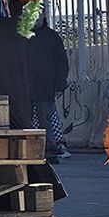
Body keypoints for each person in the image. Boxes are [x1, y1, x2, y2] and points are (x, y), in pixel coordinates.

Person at [26, 13, 71, 161]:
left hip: (44, 87)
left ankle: (49, 150)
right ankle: (43, 149)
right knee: (41, 120)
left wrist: (59, 85)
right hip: (34, 86)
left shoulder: (50, 37)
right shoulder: (29, 36)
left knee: (44, 120)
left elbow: (61, 63)